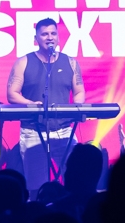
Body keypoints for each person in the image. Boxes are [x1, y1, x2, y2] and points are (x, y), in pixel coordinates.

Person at [7, 18, 85, 196]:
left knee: (75, 179)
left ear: (58, 37)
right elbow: (12, 94)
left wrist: (77, 107)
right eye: (44, 34)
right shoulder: (23, 62)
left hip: (64, 130)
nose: (49, 37)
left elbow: (79, 91)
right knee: (36, 185)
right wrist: (30, 104)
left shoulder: (70, 62)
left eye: (53, 33)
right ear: (36, 39)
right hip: (33, 131)